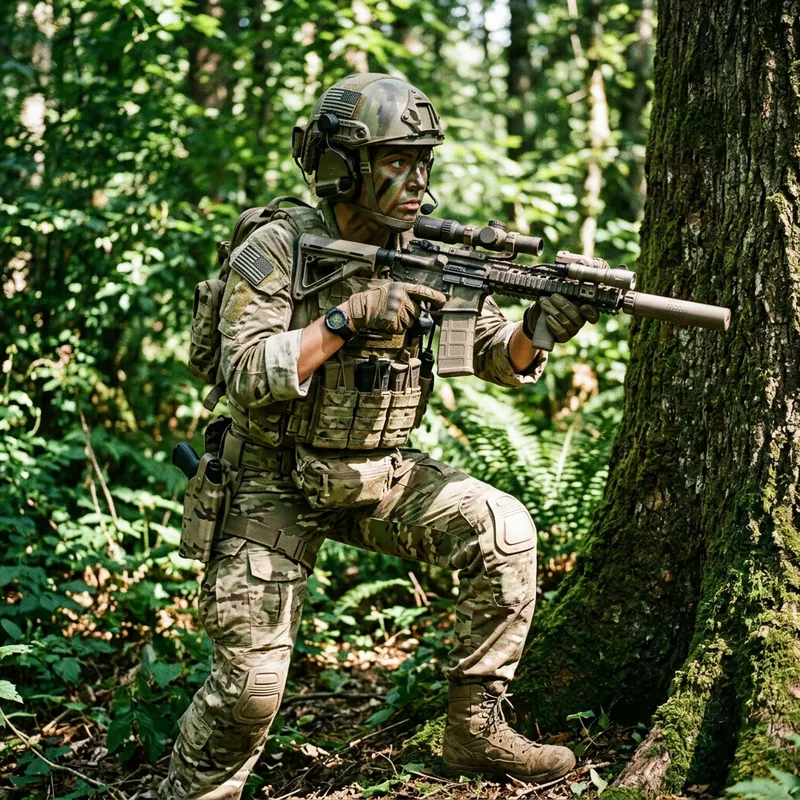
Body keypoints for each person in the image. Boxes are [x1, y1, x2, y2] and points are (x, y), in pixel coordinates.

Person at [160, 72, 597, 800]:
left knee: (504, 532)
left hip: (377, 474)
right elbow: (242, 370)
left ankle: (475, 728)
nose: (417, 181)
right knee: (249, 695)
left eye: (424, 161)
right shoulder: (274, 248)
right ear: (343, 168)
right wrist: (346, 318)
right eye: (397, 161)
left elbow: (494, 353)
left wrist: (542, 328)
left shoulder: (426, 247)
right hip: (268, 478)